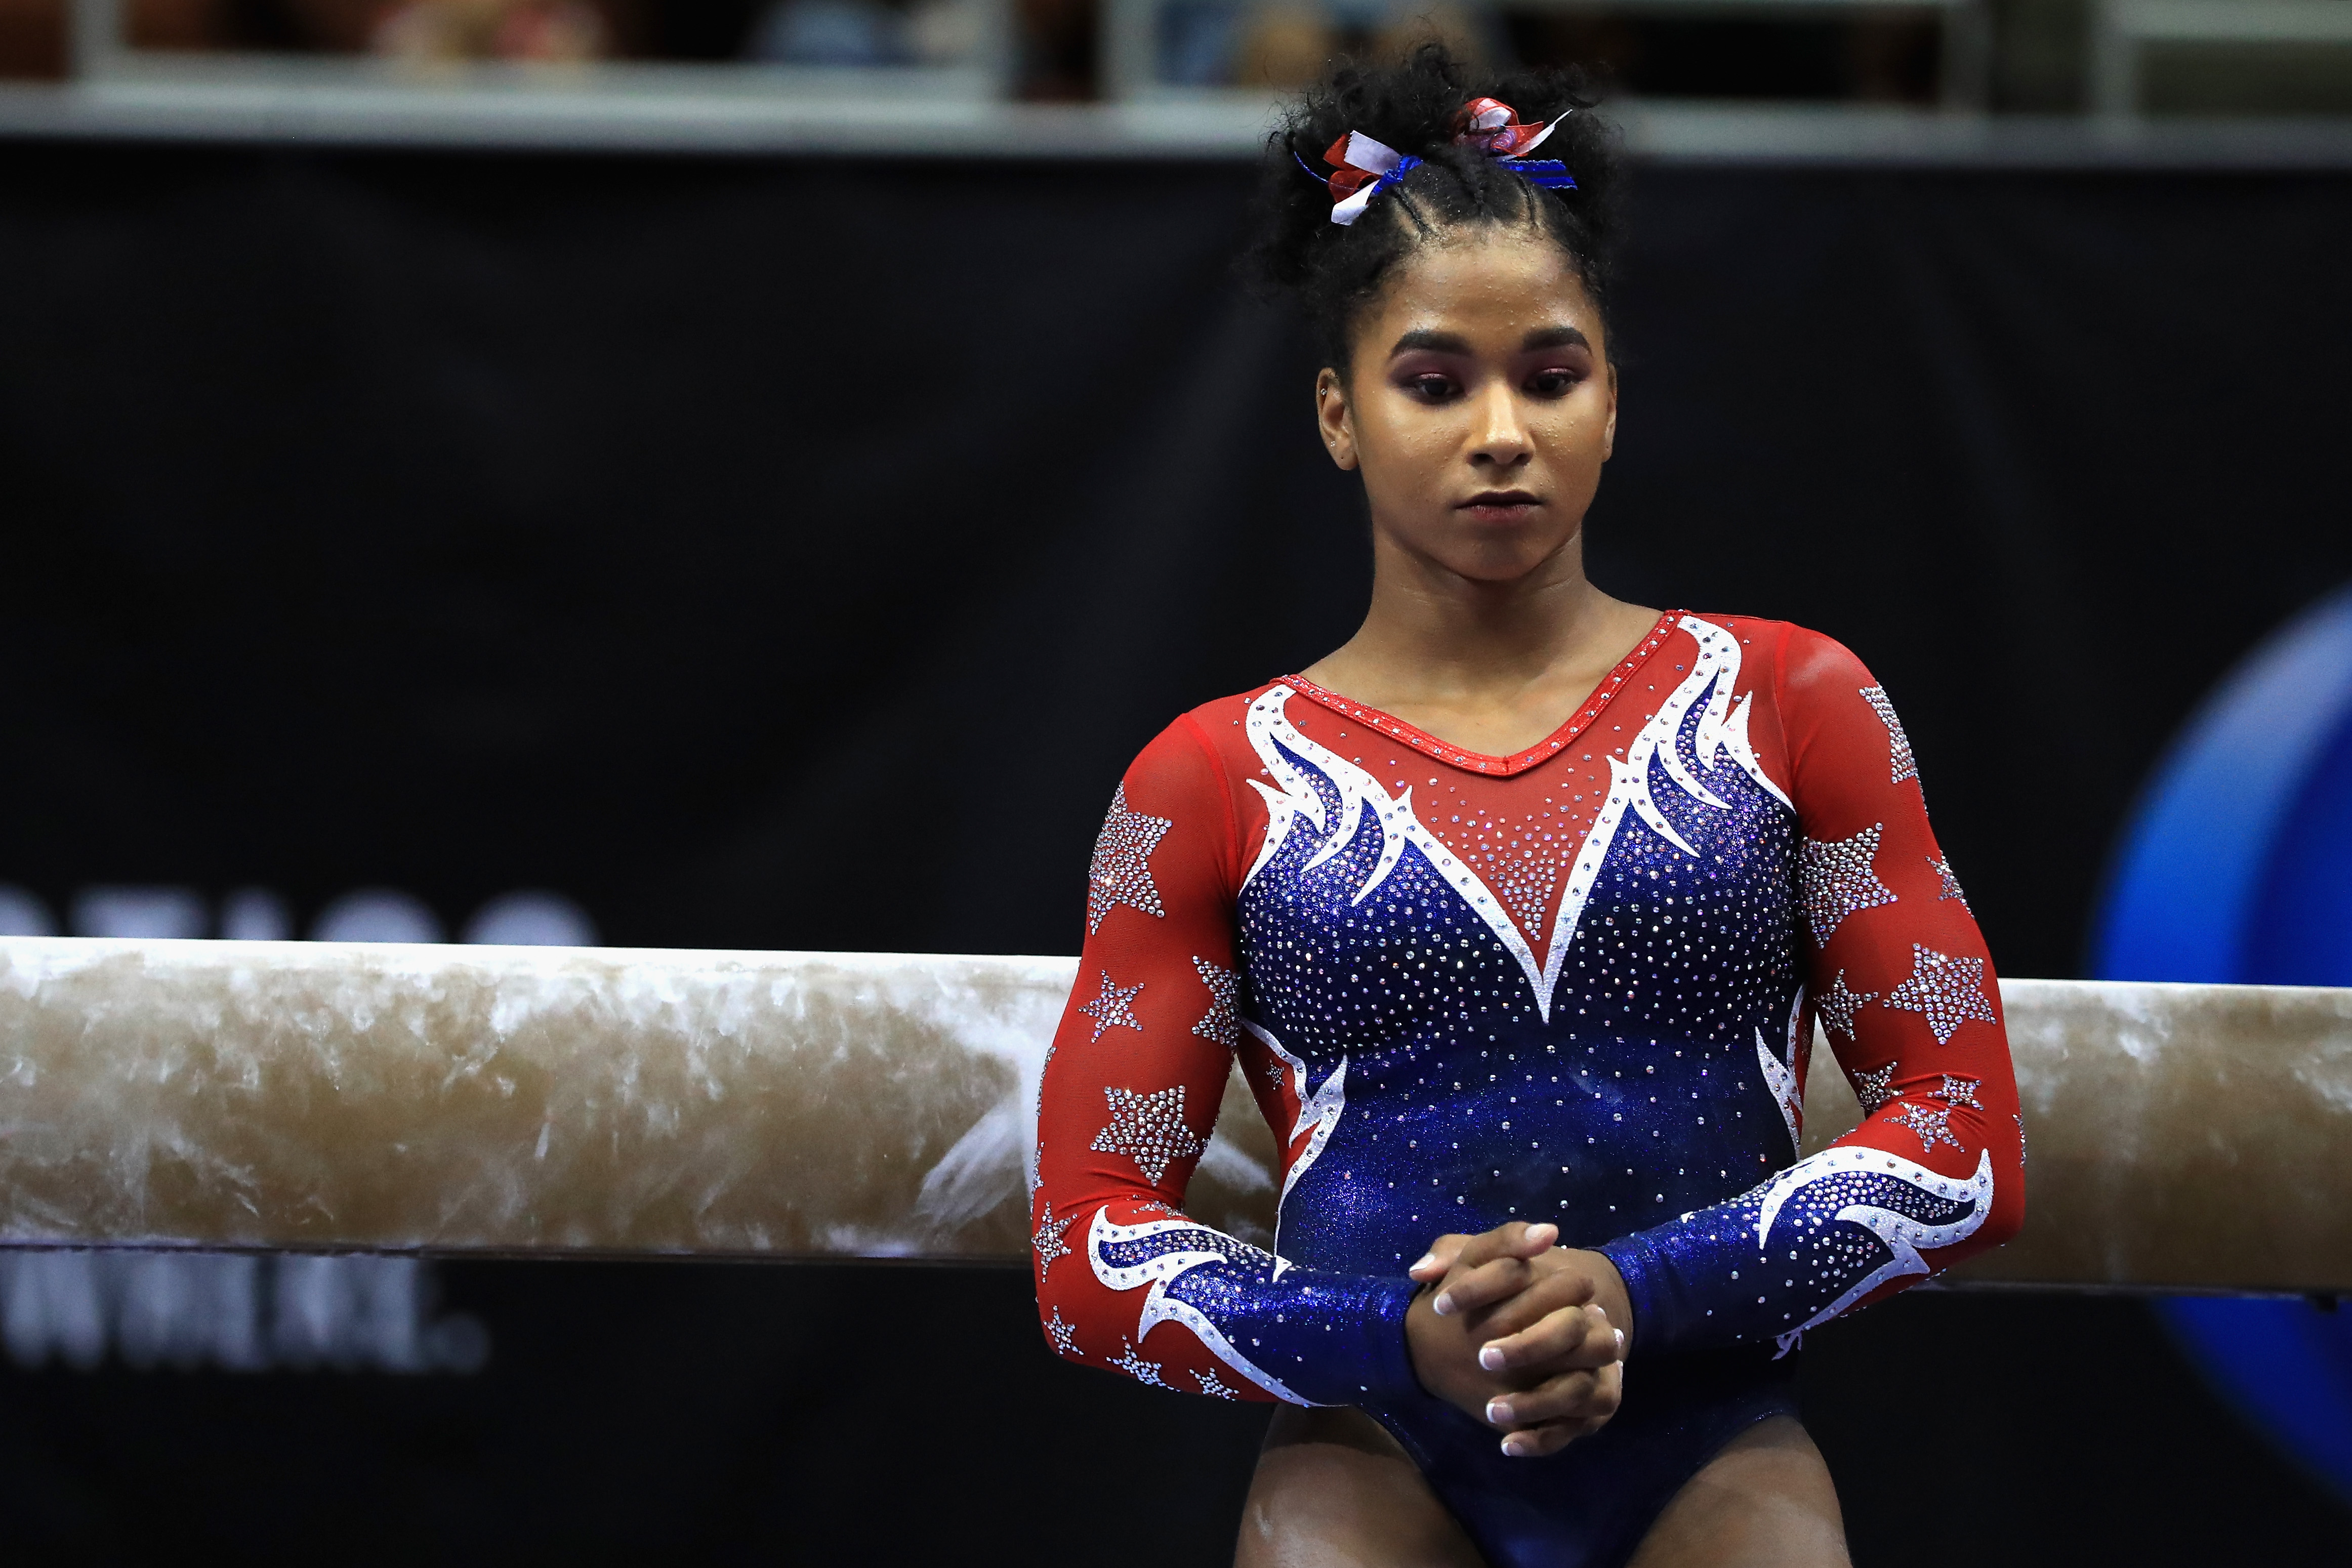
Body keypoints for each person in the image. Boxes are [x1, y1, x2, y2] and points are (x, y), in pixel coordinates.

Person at [1030, 45, 2024, 1568]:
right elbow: (1084, 1246)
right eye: (1435, 381)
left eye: (1550, 374)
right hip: (1377, 1447)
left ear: (1612, 399)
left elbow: (1966, 1144)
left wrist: (1641, 1294)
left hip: (1705, 1435)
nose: (1502, 427)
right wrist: (1390, 1335)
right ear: (1337, 413)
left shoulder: (1791, 705)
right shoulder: (1212, 778)